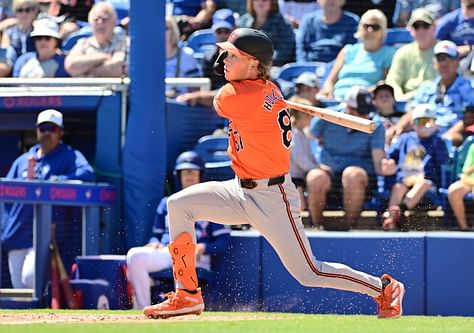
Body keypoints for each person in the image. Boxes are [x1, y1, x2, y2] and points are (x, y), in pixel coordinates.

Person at [142, 28, 405, 319]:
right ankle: (187, 294)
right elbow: (253, 92)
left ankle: (383, 288)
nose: (224, 59)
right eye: (226, 53)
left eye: (233, 55)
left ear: (254, 64)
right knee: (178, 204)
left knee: (310, 272)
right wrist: (248, 78)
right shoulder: (269, 91)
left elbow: (221, 100)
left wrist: (248, 88)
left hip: (273, 197)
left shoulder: (243, 95)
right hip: (239, 190)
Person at [1, 109, 95, 289]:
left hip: (42, 233)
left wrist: (58, 180)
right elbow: (6, 196)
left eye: (51, 128)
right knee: (18, 287)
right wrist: (5, 228)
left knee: (30, 279)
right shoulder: (23, 160)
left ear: (60, 132)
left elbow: (87, 174)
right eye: (43, 128)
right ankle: (30, 319)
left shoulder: (69, 156)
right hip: (16, 233)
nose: (46, 133)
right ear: (37, 130)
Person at [126, 151, 231, 309]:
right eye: (185, 172)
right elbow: (157, 235)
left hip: (197, 255)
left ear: (201, 175)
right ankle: (143, 308)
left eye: (193, 172)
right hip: (168, 251)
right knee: (135, 256)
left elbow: (224, 242)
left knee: (183, 257)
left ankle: (183, 304)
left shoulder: (210, 203)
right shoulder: (167, 202)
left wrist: (204, 248)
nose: (189, 176)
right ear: (178, 175)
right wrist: (153, 243)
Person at [307, 86, 392, 228]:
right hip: (329, 172)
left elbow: (378, 163)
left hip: (361, 178)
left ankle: (349, 228)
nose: (365, 117)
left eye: (367, 112)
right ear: (348, 108)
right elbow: (304, 142)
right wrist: (314, 164)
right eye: (360, 112)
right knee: (315, 176)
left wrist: (386, 167)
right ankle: (316, 227)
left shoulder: (375, 125)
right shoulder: (325, 117)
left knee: (352, 174)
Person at [391, 40, 474, 139]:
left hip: (453, 137)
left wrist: (446, 137)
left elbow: (471, 118)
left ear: (457, 62)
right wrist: (398, 127)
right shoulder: (426, 88)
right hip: (424, 134)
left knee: (454, 138)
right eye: (440, 59)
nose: (444, 63)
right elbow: (412, 113)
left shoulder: (471, 88)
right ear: (434, 63)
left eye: (448, 59)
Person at [381, 104, 449, 230]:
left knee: (423, 184)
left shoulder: (438, 141)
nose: (425, 126)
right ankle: (391, 222)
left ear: (435, 124)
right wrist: (387, 163)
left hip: (426, 182)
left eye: (429, 122)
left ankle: (399, 211)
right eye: (421, 121)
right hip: (405, 178)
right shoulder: (405, 138)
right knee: (398, 187)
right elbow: (391, 155)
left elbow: (443, 161)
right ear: (413, 124)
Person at [318, 9, 396, 100]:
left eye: (375, 27)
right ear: (360, 28)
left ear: (383, 31)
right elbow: (330, 81)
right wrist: (329, 93)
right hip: (336, 99)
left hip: (364, 104)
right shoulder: (348, 50)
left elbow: (385, 84)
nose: (370, 30)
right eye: (366, 26)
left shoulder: (389, 53)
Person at [175, 8, 235, 107]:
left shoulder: (241, 58)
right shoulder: (209, 58)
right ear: (213, 32)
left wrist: (198, 97)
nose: (223, 35)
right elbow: (207, 86)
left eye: (227, 31)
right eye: (219, 31)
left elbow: (235, 91)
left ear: (234, 30)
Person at [385, 8, 438, 101]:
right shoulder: (402, 52)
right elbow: (392, 81)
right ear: (410, 29)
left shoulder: (442, 51)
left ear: (434, 27)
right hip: (405, 102)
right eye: (416, 26)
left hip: (433, 101)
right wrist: (400, 99)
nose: (421, 30)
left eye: (425, 26)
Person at [64, 2, 127, 77]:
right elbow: (71, 66)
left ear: (114, 22)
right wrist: (103, 57)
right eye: (96, 19)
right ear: (90, 23)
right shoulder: (82, 43)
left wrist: (86, 71)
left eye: (104, 19)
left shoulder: (125, 43)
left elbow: (117, 68)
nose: (100, 22)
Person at [288, 96, 323, 211]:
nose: (311, 118)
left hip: (299, 176)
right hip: (292, 177)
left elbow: (309, 154)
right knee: (298, 207)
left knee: (300, 206)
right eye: (308, 115)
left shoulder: (301, 133)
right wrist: (313, 168)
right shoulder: (293, 133)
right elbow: (299, 158)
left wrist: (318, 167)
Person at [237, 0, 296, 66]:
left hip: (273, 67)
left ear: (272, 2)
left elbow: (284, 51)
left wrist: (262, 62)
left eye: (264, 0)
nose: (260, 2)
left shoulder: (283, 23)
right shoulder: (243, 21)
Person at [165, 15, 201, 98]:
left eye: (166, 28)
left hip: (180, 103)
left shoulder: (187, 54)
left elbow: (195, 88)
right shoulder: (149, 56)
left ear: (173, 31)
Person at [394, 0, 460, 27]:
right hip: (413, 31)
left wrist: (440, 23)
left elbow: (457, 16)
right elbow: (400, 22)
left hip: (440, 32)